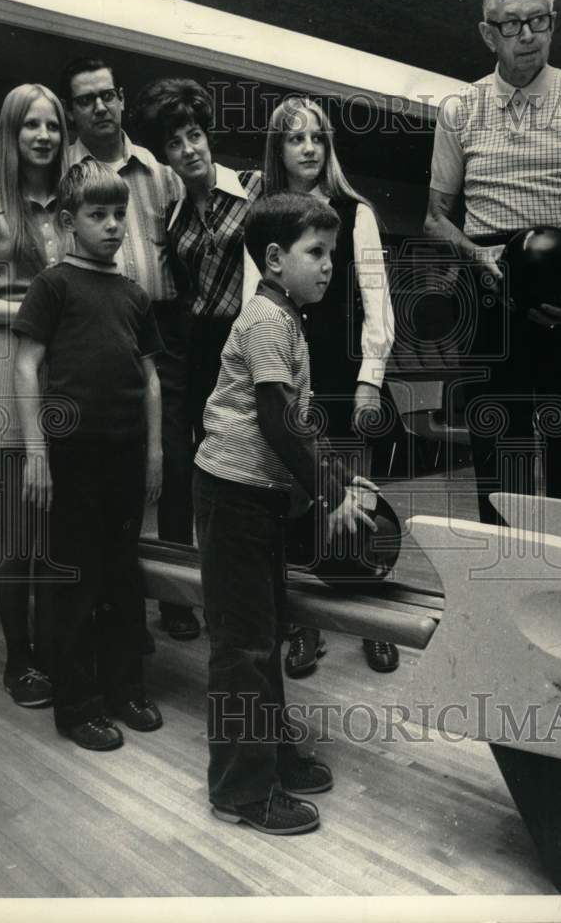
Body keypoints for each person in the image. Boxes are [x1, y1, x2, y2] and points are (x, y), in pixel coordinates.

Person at [193, 190, 377, 833]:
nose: (329, 265)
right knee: (243, 647)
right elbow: (276, 422)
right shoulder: (267, 321)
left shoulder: (286, 319)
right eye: (316, 252)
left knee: (263, 637)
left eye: (332, 253)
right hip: (232, 499)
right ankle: (241, 791)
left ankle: (270, 756)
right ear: (274, 259)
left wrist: (336, 479)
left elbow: (298, 423)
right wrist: (330, 495)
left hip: (256, 501)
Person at [424, 0, 561, 521]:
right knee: (500, 457)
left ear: (553, 24)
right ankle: (506, 564)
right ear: (487, 34)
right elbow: (435, 219)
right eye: (512, 24)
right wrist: (476, 253)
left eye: (538, 21)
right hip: (493, 279)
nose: (527, 36)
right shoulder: (459, 108)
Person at [12, 159, 164, 751]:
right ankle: (77, 705)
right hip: (71, 457)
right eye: (97, 215)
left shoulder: (134, 295)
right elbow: (27, 366)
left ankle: (125, 688)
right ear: (69, 222)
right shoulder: (53, 285)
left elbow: (151, 379)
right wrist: (36, 453)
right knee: (74, 580)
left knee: (122, 575)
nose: (112, 225)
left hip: (125, 455)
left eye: (119, 214)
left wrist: (155, 451)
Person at [59, 58, 197, 644]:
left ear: (121, 99)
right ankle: (111, 601)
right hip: (94, 324)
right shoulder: (66, 174)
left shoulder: (161, 173)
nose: (99, 106)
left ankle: (176, 600)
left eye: (107, 95)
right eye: (85, 99)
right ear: (73, 112)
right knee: (106, 469)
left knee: (173, 461)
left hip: (160, 328)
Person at [263, 96, 398, 677]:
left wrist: (370, 380)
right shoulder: (266, 214)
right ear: (279, 149)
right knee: (302, 504)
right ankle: (306, 628)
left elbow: (377, 303)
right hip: (292, 377)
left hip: (346, 376)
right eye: (296, 139)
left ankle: (372, 623)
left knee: (357, 503)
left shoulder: (354, 211)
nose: (309, 148)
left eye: (317, 137)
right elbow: (255, 303)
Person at [0, 83, 70, 708]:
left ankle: (53, 646)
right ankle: (18, 659)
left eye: (52, 125)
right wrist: (33, 313)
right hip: (6, 364)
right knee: (19, 528)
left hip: (66, 367)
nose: (44, 135)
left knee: (56, 524)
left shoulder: (72, 203)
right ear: (11, 132)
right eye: (31, 124)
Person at [130, 77, 263, 563]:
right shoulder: (174, 216)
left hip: (247, 337)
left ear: (208, 136)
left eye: (194, 136)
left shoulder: (254, 186)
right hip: (199, 347)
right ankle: (189, 575)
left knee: (241, 458)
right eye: (174, 143)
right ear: (164, 155)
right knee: (193, 462)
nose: (188, 150)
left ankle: (240, 567)